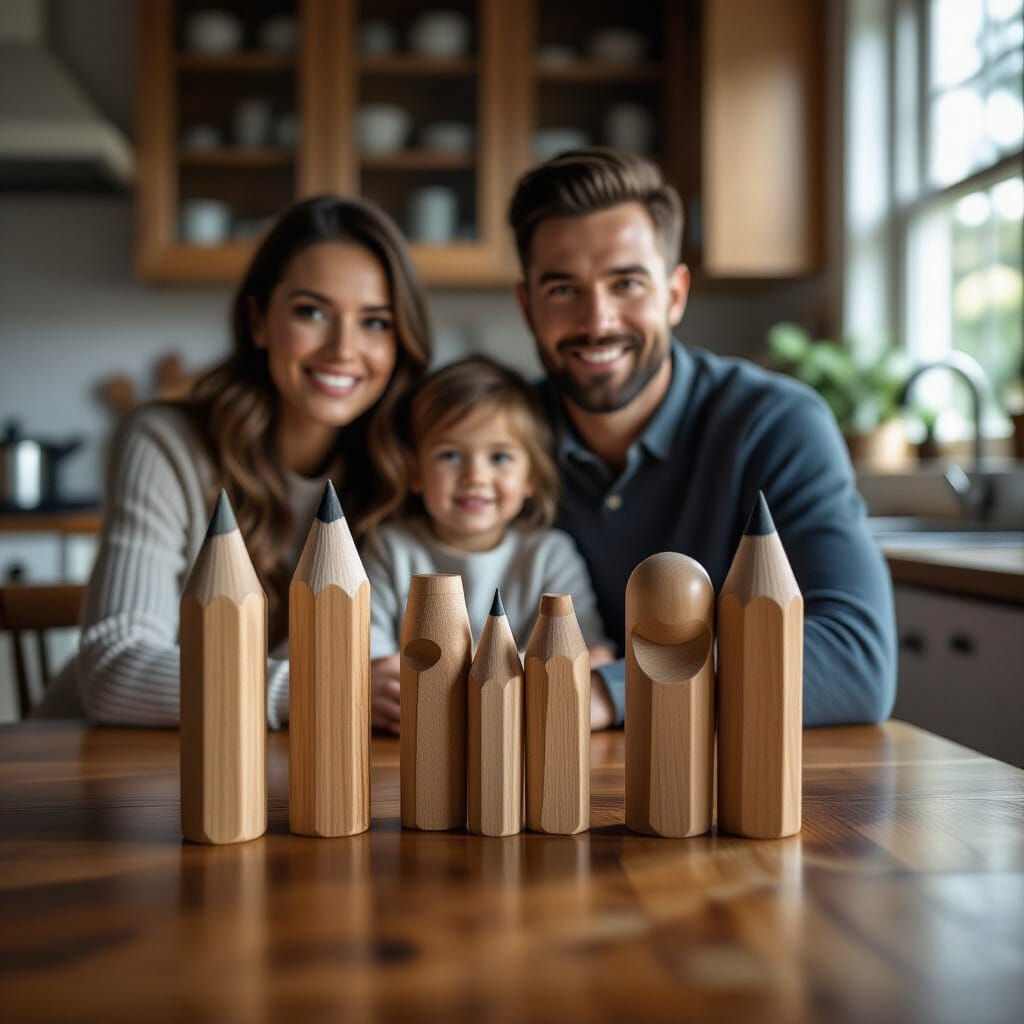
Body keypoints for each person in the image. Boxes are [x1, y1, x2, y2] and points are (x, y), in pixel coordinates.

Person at [507, 148, 897, 730]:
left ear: (675, 295)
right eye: (563, 289)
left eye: (627, 284)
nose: (597, 320)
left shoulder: (775, 424)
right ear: (528, 306)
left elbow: (855, 662)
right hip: (527, 776)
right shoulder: (491, 440)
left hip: (730, 787)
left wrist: (606, 694)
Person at [75, 195, 431, 730]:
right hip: (120, 766)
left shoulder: (413, 464)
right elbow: (113, 670)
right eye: (312, 312)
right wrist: (320, 689)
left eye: (375, 322)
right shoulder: (168, 445)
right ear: (259, 319)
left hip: (296, 774)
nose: (343, 348)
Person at [363, 356, 615, 734]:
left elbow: (591, 653)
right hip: (413, 748)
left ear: (531, 476)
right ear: (416, 472)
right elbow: (367, 657)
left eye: (499, 457)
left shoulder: (550, 553)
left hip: (518, 746)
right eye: (449, 455)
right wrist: (376, 682)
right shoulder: (390, 547)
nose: (475, 476)